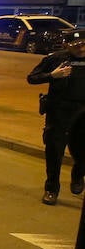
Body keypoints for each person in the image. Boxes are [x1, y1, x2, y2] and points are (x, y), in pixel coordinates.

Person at [26, 32, 85, 205]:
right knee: (54, 152)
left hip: (82, 114)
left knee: (83, 150)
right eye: (77, 45)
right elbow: (32, 78)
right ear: (67, 45)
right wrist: (52, 76)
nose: (81, 48)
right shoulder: (55, 59)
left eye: (83, 44)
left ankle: (77, 175)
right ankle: (51, 189)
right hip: (59, 112)